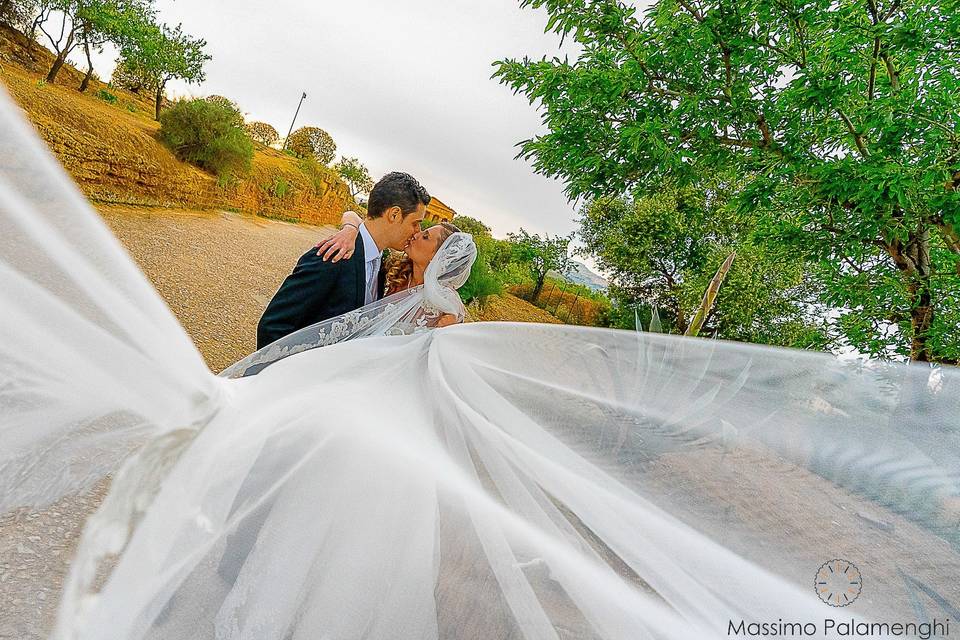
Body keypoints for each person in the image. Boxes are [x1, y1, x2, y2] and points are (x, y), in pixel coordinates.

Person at [2, 88, 960, 640]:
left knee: (328, 531)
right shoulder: (335, 253)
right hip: (289, 407)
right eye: (412, 223)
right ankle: (218, 577)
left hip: (359, 434)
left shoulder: (420, 298)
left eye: (426, 231)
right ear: (386, 217)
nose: (420, 234)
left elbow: (414, 335)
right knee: (255, 517)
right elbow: (270, 331)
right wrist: (292, 377)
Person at [255, 172, 430, 349]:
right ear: (394, 214)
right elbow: (273, 325)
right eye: (415, 223)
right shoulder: (335, 254)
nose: (417, 231)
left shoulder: (381, 263)